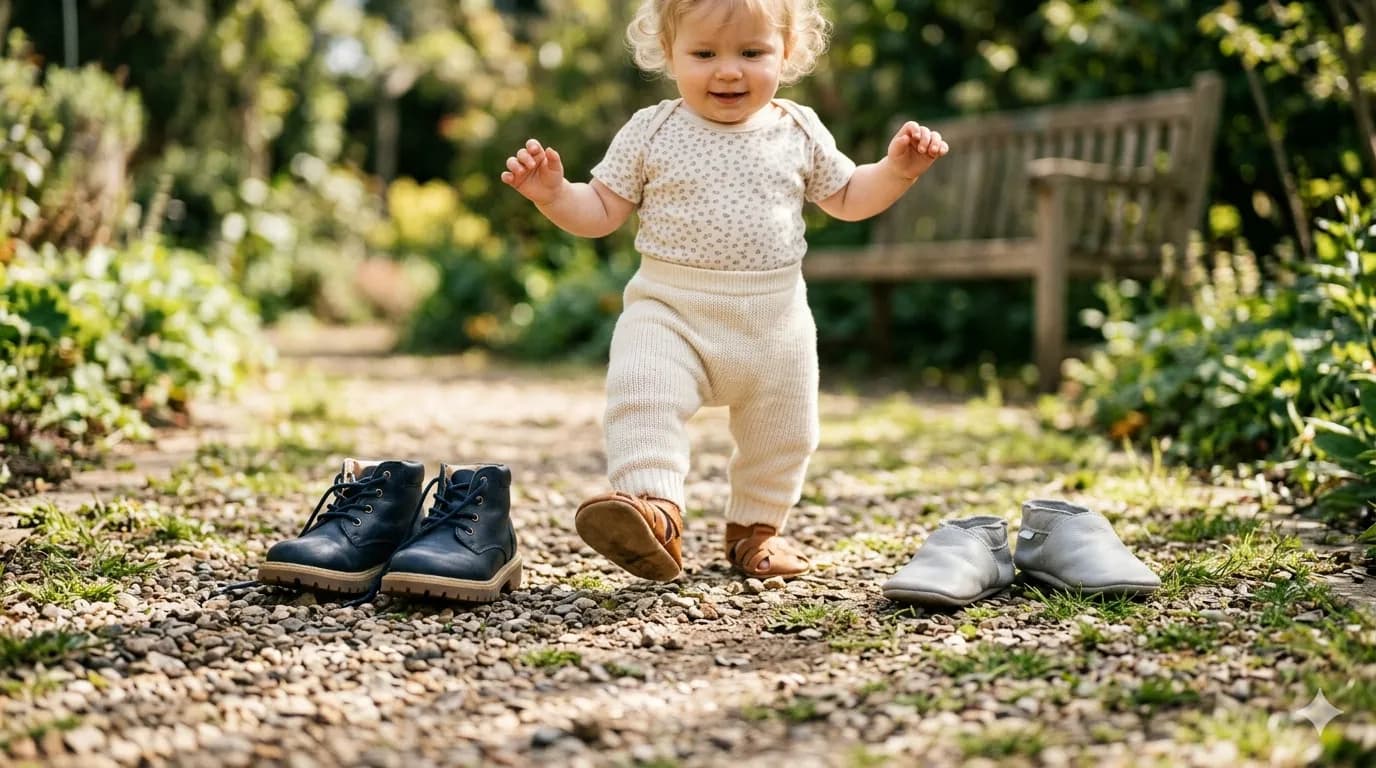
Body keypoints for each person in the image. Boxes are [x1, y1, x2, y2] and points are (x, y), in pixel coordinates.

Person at [500, 0, 948, 582]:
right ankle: (654, 511)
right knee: (643, 394)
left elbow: (848, 197)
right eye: (705, 54)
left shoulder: (798, 128)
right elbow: (602, 210)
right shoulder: (652, 130)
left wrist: (896, 171)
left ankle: (756, 532)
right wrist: (554, 195)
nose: (728, 70)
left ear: (787, 53)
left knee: (785, 433)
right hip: (670, 311)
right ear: (669, 54)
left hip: (775, 321)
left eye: (752, 52)